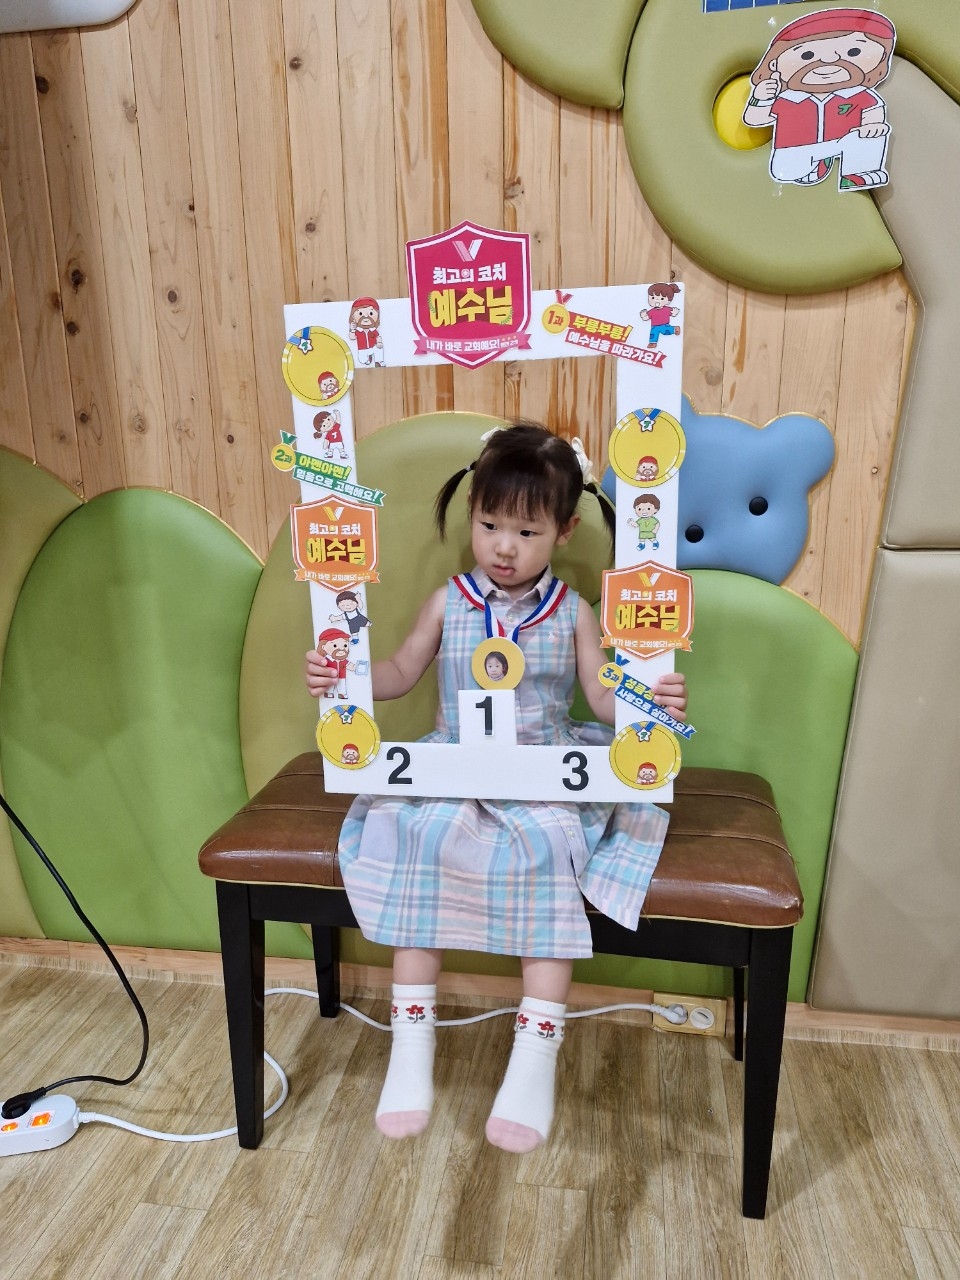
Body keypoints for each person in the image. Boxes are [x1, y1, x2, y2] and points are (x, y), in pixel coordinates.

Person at [305, 423, 687, 1154]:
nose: (504, 547)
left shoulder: (573, 612)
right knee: (417, 836)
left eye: (527, 531)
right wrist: (341, 675)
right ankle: (410, 1044)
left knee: (547, 852)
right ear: (471, 515)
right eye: (489, 525)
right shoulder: (447, 602)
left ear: (564, 531)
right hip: (454, 768)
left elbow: (601, 699)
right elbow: (399, 673)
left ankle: (535, 1054)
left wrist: (650, 700)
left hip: (542, 772)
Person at [742, 8, 895, 190]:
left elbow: (873, 111)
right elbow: (755, 119)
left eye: (853, 51)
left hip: (840, 143)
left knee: (871, 135)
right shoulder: (788, 99)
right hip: (793, 152)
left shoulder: (859, 95)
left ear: (882, 57)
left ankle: (856, 175)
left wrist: (873, 126)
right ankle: (816, 166)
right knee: (790, 170)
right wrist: (760, 99)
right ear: (774, 64)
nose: (829, 59)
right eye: (807, 55)